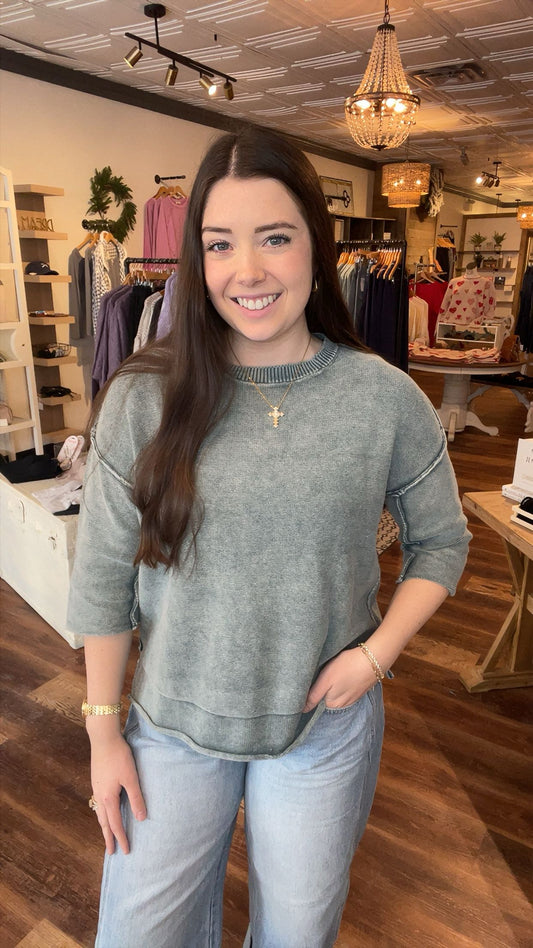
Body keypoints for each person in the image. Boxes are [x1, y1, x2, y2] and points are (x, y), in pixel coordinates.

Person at [67, 126, 471, 948]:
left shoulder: (380, 397)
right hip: (172, 727)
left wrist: (375, 655)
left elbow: (442, 543)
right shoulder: (145, 398)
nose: (246, 271)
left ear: (316, 251)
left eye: (274, 239)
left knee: (296, 934)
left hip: (320, 729)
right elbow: (103, 578)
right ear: (197, 259)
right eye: (220, 245)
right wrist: (104, 734)